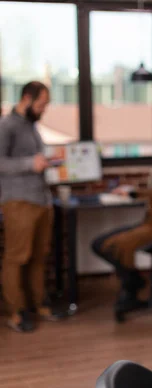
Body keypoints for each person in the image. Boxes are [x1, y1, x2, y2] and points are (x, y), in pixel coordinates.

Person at [92, 133, 152, 311]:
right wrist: (132, 193)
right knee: (99, 244)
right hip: (149, 224)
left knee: (116, 246)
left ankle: (132, 286)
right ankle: (134, 281)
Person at [0, 81, 67, 332]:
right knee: (17, 257)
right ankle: (16, 312)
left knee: (39, 257)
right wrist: (30, 163)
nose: (44, 109)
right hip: (19, 202)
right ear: (27, 98)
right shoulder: (6, 126)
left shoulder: (32, 127)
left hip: (41, 200)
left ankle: (38, 304)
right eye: (41, 104)